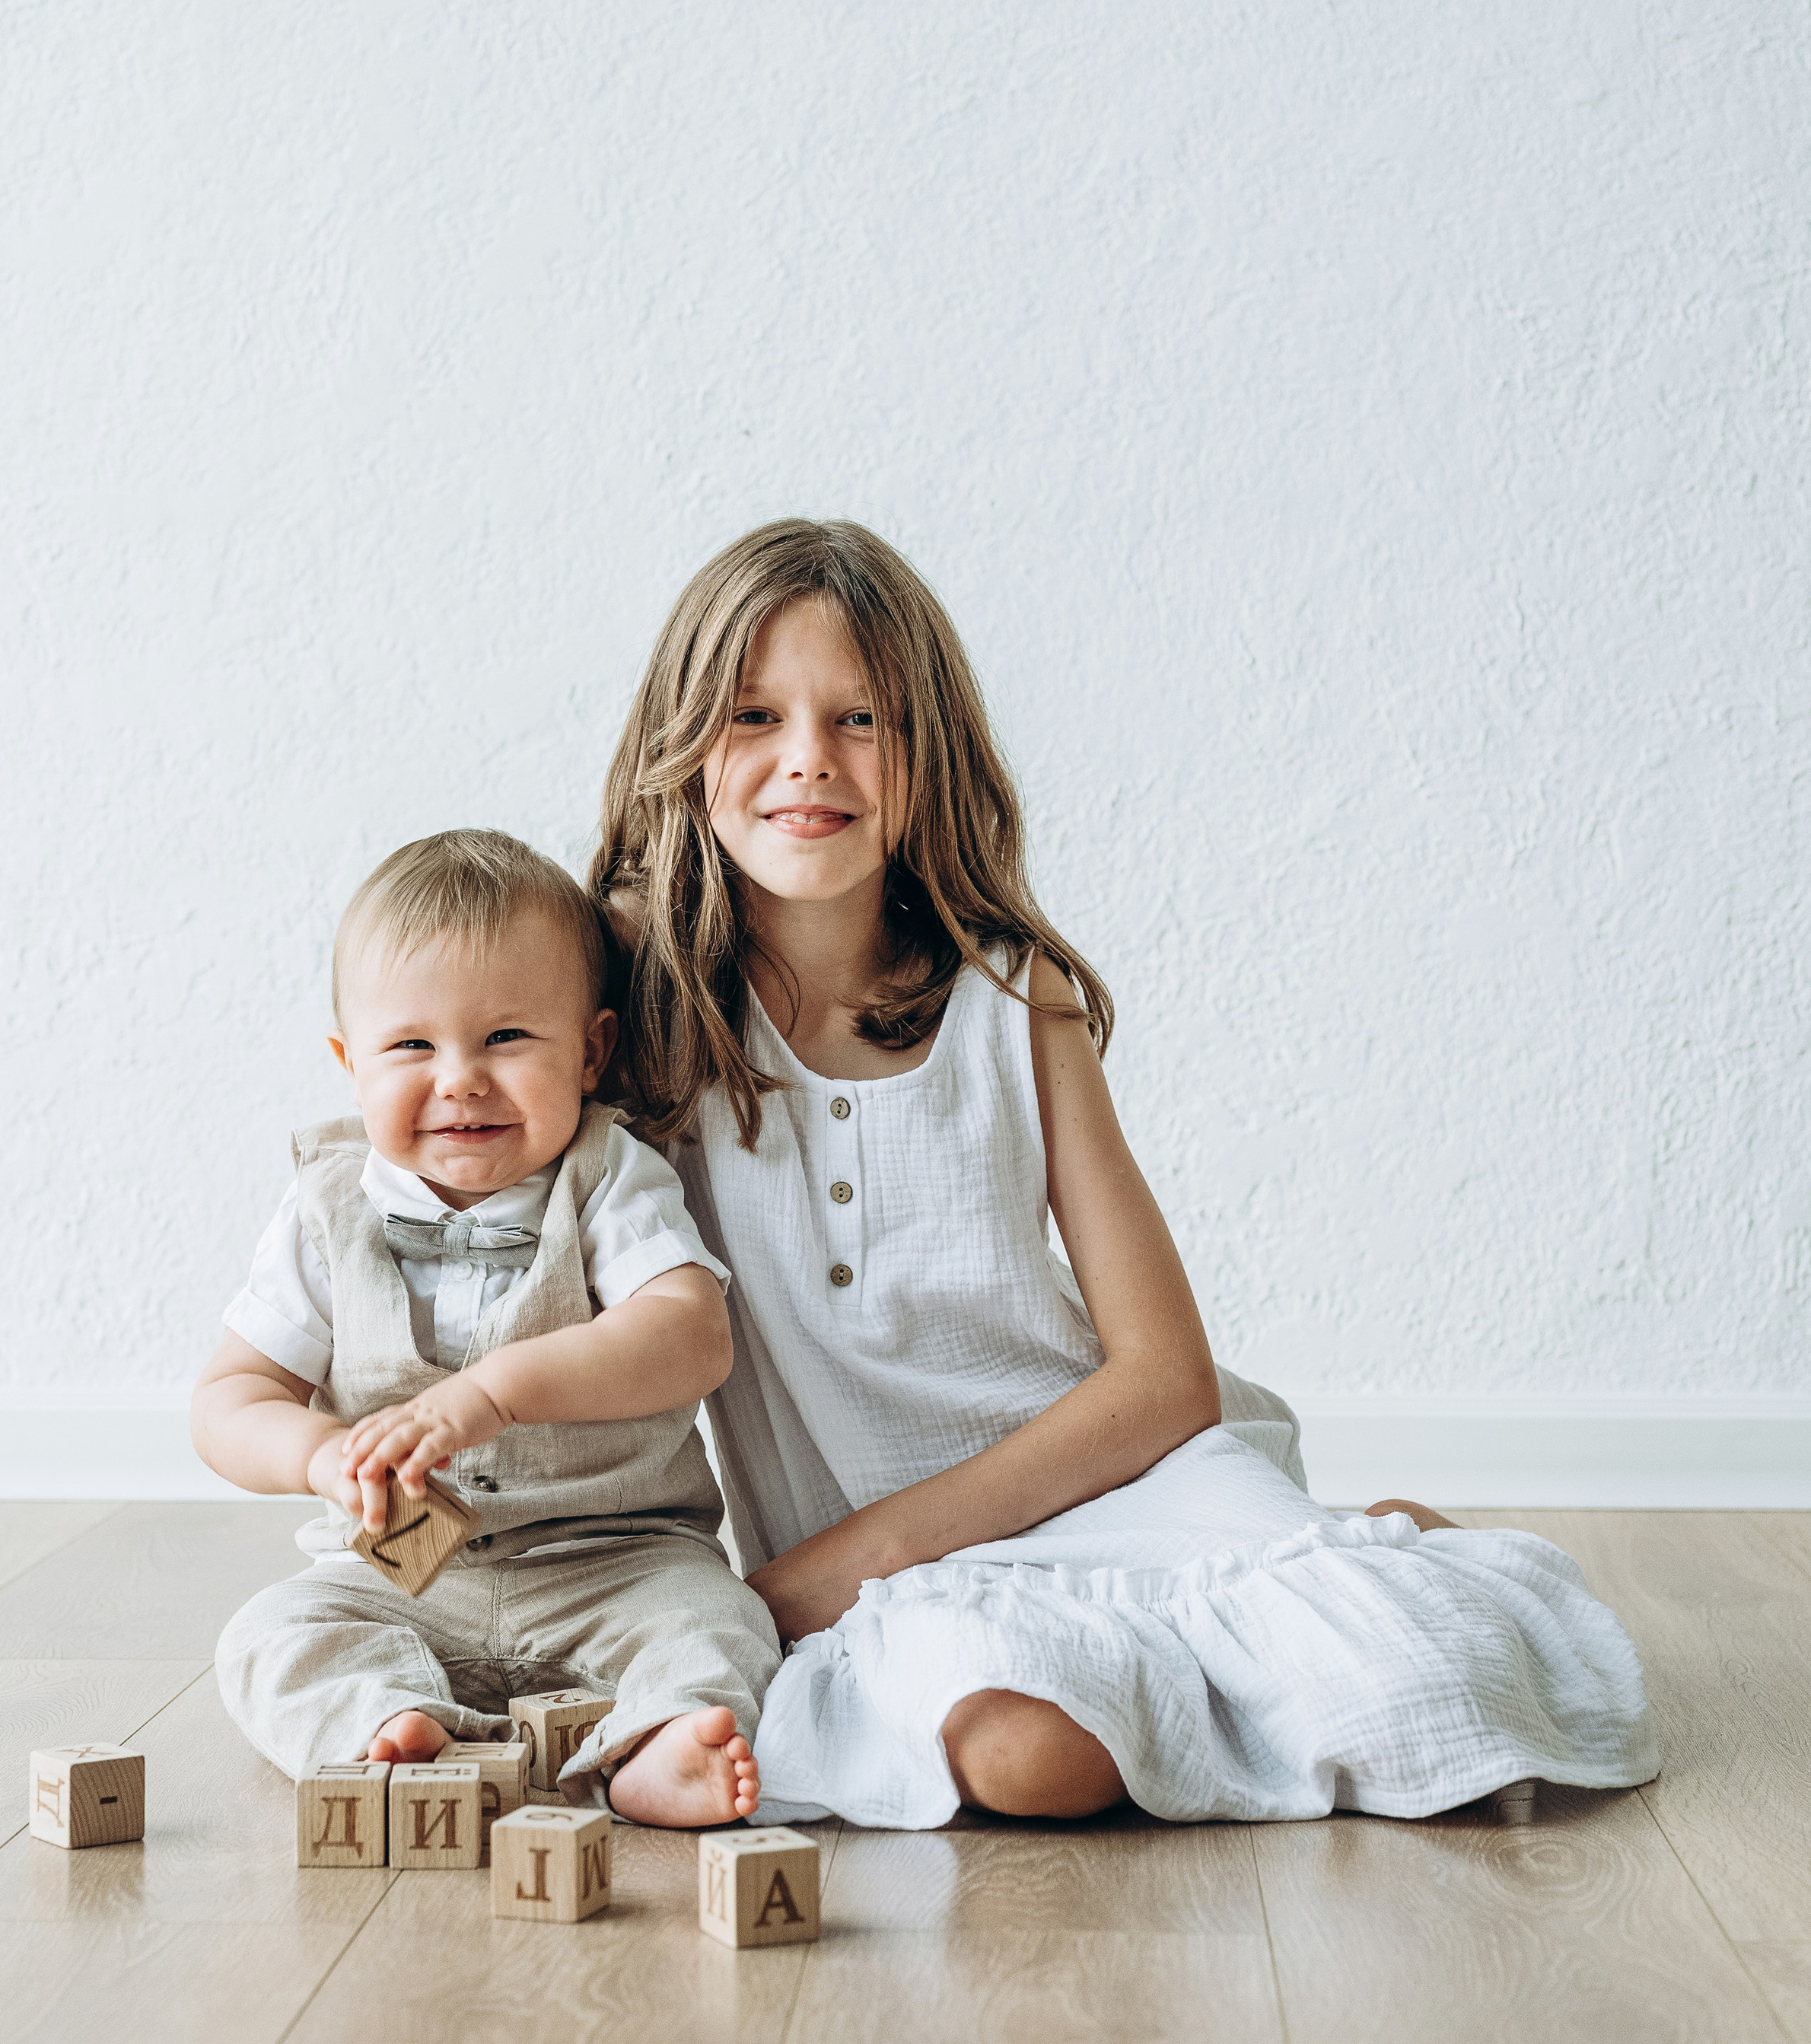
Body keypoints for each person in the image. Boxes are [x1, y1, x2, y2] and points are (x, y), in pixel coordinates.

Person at [591, 521, 1659, 1827]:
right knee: (1026, 1760)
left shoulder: (1006, 993)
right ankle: (1300, 1588)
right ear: (684, 743)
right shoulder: (640, 1003)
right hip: (903, 1583)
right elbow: (461, 1125)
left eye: (861, 718)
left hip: (1108, 1484)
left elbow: (1163, 1378)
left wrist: (833, 1574)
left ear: (930, 754)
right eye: (755, 714)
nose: (810, 757)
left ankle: (1358, 1560)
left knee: (1428, 1690)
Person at [196, 829, 775, 1825]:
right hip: (402, 1570)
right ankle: (394, 1729)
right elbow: (228, 1400)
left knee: (721, 1621)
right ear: (351, 1064)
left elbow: (690, 1335)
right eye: (412, 1047)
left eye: (506, 1039)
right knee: (269, 1632)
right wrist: (319, 1456)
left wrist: (493, 1392)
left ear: (590, 1051)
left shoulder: (608, 1177)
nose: (459, 1077)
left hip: (618, 1558)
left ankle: (658, 1747)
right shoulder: (325, 1209)